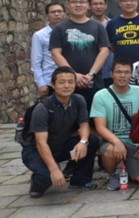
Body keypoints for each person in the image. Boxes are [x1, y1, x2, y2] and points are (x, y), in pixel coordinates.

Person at [21, 67, 100, 198]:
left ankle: (80, 180)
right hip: (36, 150)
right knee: (47, 176)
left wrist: (83, 142)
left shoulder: (78, 100)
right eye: (62, 82)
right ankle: (37, 182)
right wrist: (54, 170)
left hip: (60, 145)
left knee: (92, 140)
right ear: (53, 85)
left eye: (70, 82)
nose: (67, 86)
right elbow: (40, 143)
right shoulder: (43, 108)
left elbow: (84, 125)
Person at [91, 57, 139, 190]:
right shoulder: (100, 96)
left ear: (131, 74)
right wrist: (117, 142)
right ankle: (112, 174)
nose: (122, 76)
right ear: (111, 74)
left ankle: (129, 167)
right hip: (112, 141)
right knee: (110, 151)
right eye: (118, 72)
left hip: (134, 142)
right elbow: (100, 127)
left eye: (126, 72)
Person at [50, 0, 110, 113]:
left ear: (87, 5)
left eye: (82, 2)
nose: (78, 5)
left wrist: (90, 74)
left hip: (94, 82)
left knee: (95, 118)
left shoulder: (98, 27)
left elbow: (104, 51)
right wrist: (73, 75)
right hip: (68, 84)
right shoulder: (59, 28)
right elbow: (55, 54)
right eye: (74, 2)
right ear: (68, 5)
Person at [31, 2, 66, 97]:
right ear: (47, 16)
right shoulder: (39, 35)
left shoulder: (71, 33)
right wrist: (41, 84)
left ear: (64, 14)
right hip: (50, 81)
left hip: (71, 80)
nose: (57, 14)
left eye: (59, 11)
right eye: (53, 12)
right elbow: (36, 62)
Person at [89, 0, 114, 85]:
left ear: (106, 6)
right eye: (95, 4)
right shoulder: (85, 25)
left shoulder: (114, 24)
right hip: (91, 72)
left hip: (111, 71)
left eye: (101, 4)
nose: (98, 7)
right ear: (89, 6)